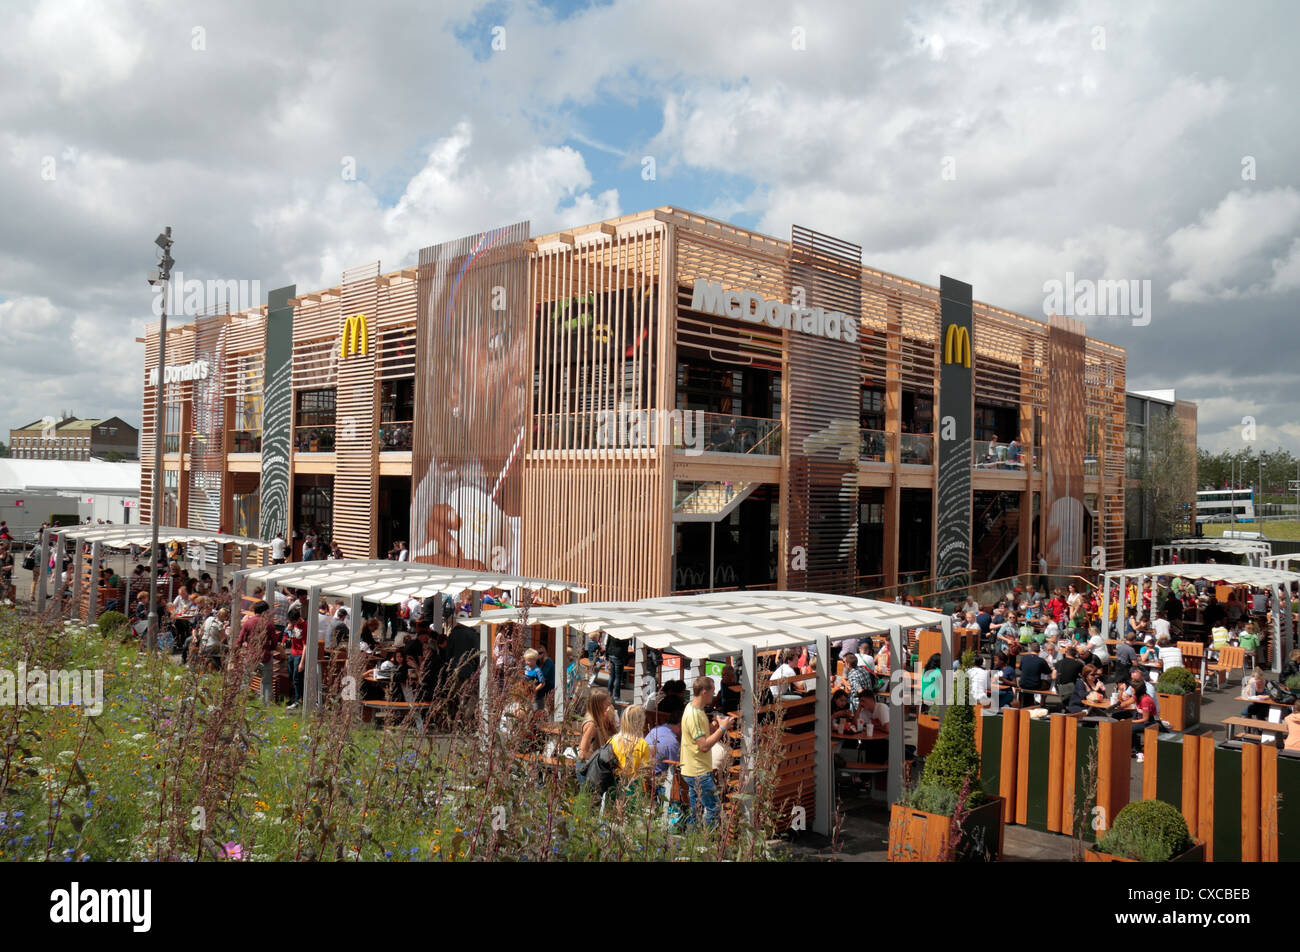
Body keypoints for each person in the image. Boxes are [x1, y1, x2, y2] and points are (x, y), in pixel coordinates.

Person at [680, 677, 733, 828]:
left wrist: (715, 725)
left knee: (695, 811)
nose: (714, 693)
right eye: (712, 691)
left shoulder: (694, 708)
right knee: (714, 809)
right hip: (698, 771)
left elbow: (701, 733)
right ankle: (706, 843)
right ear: (704, 692)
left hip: (693, 768)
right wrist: (722, 729)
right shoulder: (694, 715)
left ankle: (693, 842)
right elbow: (703, 746)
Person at [236, 601, 276, 704]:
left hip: (251, 656)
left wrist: (238, 652)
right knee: (266, 682)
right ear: (265, 611)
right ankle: (266, 705)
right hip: (265, 656)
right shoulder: (269, 624)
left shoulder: (248, 623)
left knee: (246, 680)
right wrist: (270, 649)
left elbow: (240, 640)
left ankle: (243, 702)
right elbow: (274, 641)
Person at [610, 704, 651, 792]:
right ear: (640, 722)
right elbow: (646, 772)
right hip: (634, 786)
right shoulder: (642, 744)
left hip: (614, 784)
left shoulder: (613, 740)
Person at [645, 695, 683, 784]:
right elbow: (677, 770)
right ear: (681, 725)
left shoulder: (655, 730)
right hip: (658, 782)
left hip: (645, 778)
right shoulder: (672, 742)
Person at [283, 606, 307, 708]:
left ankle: (298, 700)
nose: (292, 623)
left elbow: (305, 645)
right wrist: (289, 630)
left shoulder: (304, 626)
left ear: (298, 619)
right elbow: (291, 638)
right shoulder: (293, 625)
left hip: (300, 654)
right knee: (291, 675)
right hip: (293, 653)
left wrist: (302, 662)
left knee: (297, 678)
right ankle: (295, 698)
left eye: (293, 622)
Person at [1131, 680, 1156, 762]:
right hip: (1140, 718)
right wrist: (1118, 706)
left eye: (1132, 687)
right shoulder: (1136, 696)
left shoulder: (1145, 700)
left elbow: (1146, 719)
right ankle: (1132, 747)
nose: (1130, 688)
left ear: (1137, 689)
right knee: (1118, 716)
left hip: (1150, 722)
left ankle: (1139, 752)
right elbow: (1126, 703)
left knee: (1131, 728)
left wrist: (1132, 722)